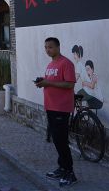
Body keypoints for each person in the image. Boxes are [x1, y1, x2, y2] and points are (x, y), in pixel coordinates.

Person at [35, 37, 78, 187]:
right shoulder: (51, 64)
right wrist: (42, 82)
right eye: (46, 47)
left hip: (61, 108)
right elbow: (52, 82)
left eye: (50, 47)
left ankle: (70, 172)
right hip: (51, 107)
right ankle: (62, 168)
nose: (48, 50)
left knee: (61, 140)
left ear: (58, 47)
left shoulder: (66, 63)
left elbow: (69, 84)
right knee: (57, 140)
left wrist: (48, 82)